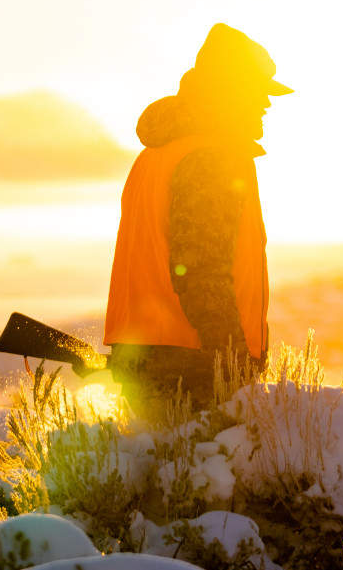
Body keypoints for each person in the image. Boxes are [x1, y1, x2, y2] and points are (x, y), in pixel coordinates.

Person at [103, 24, 291, 419]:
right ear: (230, 92)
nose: (267, 105)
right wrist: (233, 364)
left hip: (152, 359)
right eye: (259, 92)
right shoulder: (211, 159)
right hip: (193, 371)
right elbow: (201, 270)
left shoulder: (160, 153)